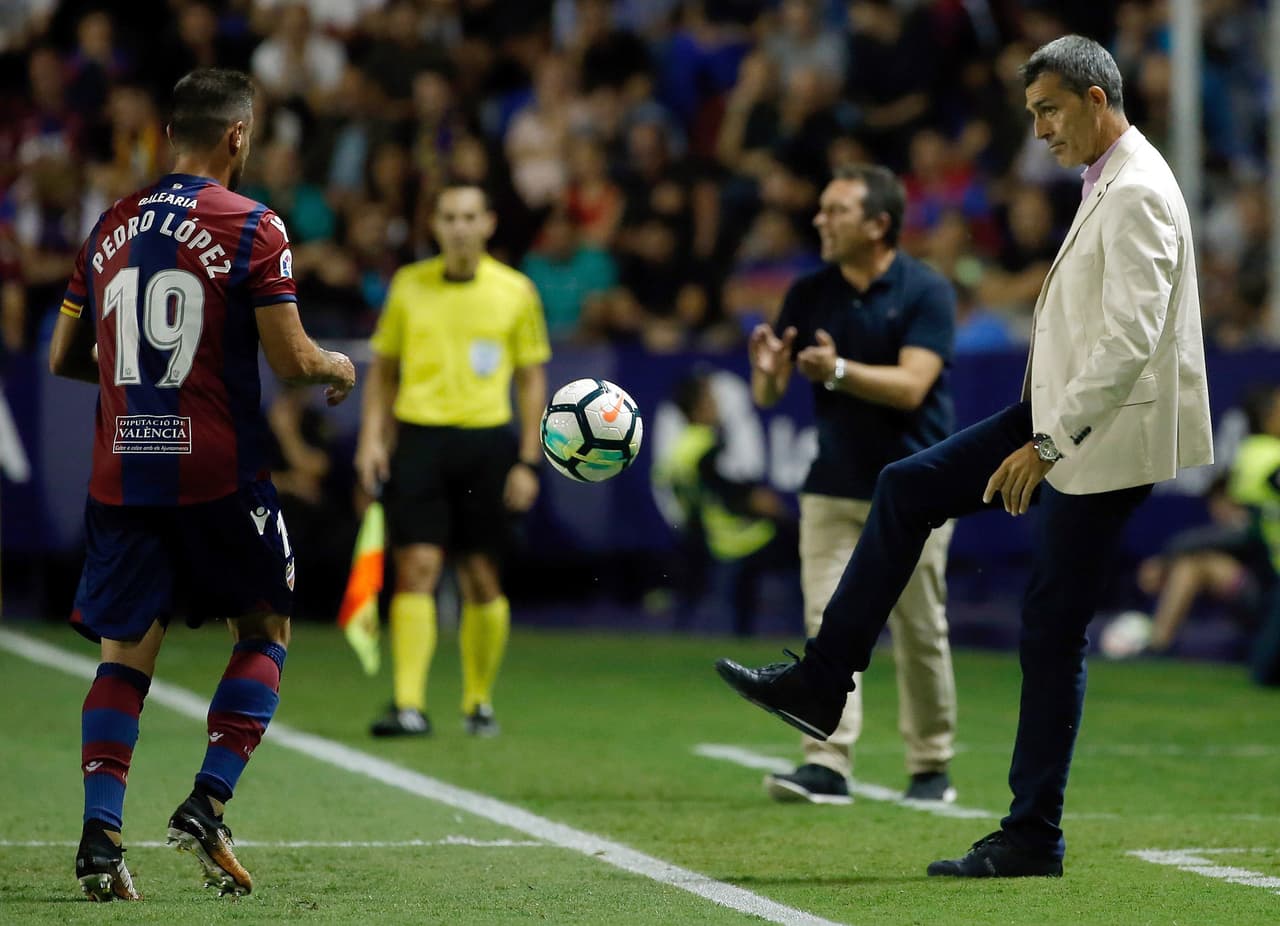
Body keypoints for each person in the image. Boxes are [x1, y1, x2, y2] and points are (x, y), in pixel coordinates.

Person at [715, 35, 1213, 877]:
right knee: (908, 487)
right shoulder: (1110, 178)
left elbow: (1130, 337)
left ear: (1097, 100)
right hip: (1064, 412)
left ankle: (1032, 835)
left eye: (1050, 111)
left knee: (1052, 630)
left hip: (1103, 437)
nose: (1041, 132)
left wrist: (1046, 446)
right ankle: (824, 680)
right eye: (1033, 115)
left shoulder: (1138, 192)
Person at [47, 68, 357, 902]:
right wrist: (336, 366)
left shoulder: (109, 223)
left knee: (126, 653)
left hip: (122, 473)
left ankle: (100, 840)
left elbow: (63, 359)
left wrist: (135, 385)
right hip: (218, 474)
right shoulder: (254, 224)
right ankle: (209, 800)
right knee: (263, 628)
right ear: (237, 135)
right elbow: (293, 362)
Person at [744, 163, 960, 806]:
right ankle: (826, 763)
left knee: (919, 631)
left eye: (836, 210)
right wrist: (768, 374)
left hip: (916, 488)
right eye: (821, 209)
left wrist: (836, 369)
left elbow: (913, 385)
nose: (820, 220)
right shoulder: (809, 292)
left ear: (878, 225)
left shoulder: (926, 291)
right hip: (832, 486)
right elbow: (772, 388)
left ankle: (931, 766)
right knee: (825, 624)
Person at [355, 179, 550, 739]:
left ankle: (478, 700)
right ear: (435, 225)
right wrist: (373, 440)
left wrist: (528, 461)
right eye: (449, 217)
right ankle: (408, 703)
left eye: (469, 216)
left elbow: (532, 379)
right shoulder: (408, 286)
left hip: (487, 444)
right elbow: (384, 372)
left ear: (488, 223)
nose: (459, 227)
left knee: (482, 578)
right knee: (415, 568)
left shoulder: (515, 292)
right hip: (419, 439)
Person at [652, 369, 799, 637]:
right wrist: (771, 509)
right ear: (697, 406)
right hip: (743, 536)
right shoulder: (708, 445)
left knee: (725, 614)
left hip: (712, 539)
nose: (717, 404)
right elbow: (730, 491)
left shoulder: (678, 448)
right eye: (710, 398)